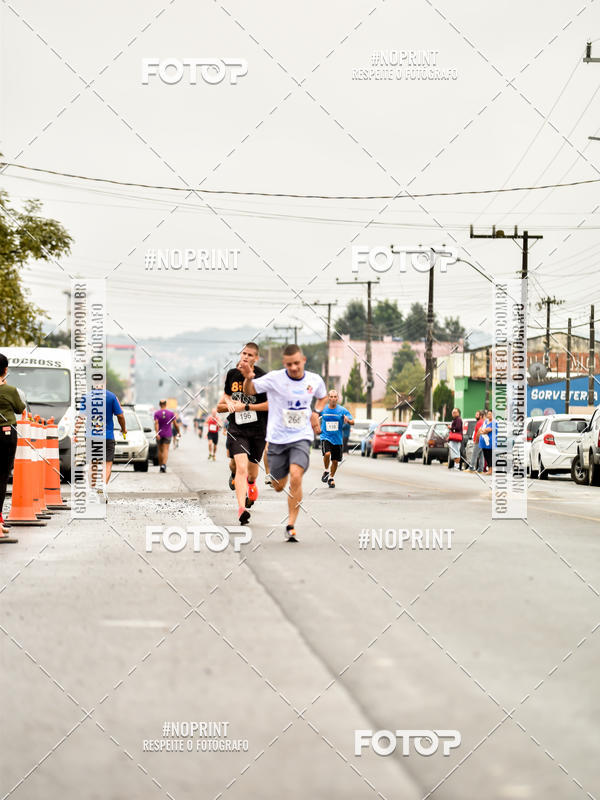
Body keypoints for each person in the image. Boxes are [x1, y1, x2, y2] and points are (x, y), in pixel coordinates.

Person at [240, 344, 327, 542]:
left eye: (296, 363)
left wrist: (316, 412)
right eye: (289, 364)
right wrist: (248, 377)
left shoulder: (314, 380)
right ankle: (282, 471)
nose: (293, 368)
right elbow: (250, 391)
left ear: (303, 360)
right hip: (277, 439)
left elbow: (322, 397)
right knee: (279, 486)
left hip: (301, 436)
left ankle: (291, 525)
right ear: (284, 364)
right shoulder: (275, 378)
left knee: (296, 476)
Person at [217, 342, 269, 525]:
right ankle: (241, 509)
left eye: (250, 355)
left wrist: (246, 407)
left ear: (256, 358)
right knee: (240, 467)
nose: (246, 357)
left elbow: (270, 405)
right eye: (244, 353)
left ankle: (251, 484)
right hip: (237, 429)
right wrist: (229, 403)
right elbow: (224, 398)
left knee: (252, 474)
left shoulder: (263, 377)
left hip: (258, 430)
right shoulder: (232, 374)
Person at [74, 387, 127, 501]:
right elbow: (120, 416)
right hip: (107, 436)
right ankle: (103, 487)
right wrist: (123, 429)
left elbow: (81, 417)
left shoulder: (87, 397)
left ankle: (92, 491)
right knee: (107, 464)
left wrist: (75, 432)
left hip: (91, 436)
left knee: (93, 463)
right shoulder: (112, 397)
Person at [0, 353, 26, 542]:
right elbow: (20, 408)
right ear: (5, 370)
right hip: (5, 434)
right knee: (2, 477)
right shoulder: (10, 391)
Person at [320, 390, 354, 488]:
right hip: (325, 436)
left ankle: (331, 478)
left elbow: (352, 421)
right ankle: (326, 471)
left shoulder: (342, 410)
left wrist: (348, 421)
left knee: (335, 461)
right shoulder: (323, 409)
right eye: (331, 397)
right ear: (328, 398)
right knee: (327, 454)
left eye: (335, 397)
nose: (333, 399)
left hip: (337, 439)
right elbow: (314, 416)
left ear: (337, 398)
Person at [154, 400, 179, 473]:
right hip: (167, 434)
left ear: (159, 405)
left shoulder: (156, 413)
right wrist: (179, 432)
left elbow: (156, 423)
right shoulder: (171, 413)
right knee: (166, 450)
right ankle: (163, 465)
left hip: (159, 434)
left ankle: (160, 466)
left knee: (160, 450)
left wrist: (157, 433)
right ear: (166, 404)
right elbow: (175, 424)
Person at [478, 409, 497, 475]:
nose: (489, 415)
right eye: (488, 414)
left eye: (490, 414)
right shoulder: (485, 421)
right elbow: (480, 429)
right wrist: (483, 430)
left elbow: (489, 429)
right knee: (486, 456)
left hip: (490, 442)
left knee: (490, 456)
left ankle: (491, 470)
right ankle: (489, 469)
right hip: (484, 442)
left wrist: (484, 430)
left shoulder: (494, 422)